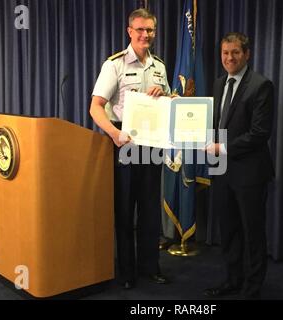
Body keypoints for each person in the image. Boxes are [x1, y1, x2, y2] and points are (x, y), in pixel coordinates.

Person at [90, 8, 171, 289]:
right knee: (125, 211)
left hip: (152, 145)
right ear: (129, 31)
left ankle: (150, 267)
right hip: (125, 145)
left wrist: (166, 95)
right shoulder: (115, 65)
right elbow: (96, 107)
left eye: (149, 30)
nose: (145, 34)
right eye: (139, 29)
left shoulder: (159, 66)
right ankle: (127, 272)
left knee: (150, 210)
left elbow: (168, 103)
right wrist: (114, 133)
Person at [205, 32, 274, 299]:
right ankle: (232, 280)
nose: (229, 58)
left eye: (235, 52)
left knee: (252, 233)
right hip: (222, 171)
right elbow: (215, 123)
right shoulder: (219, 84)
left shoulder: (261, 85)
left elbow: (260, 133)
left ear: (247, 54)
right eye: (225, 53)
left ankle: (252, 288)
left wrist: (222, 147)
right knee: (229, 230)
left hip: (250, 173)